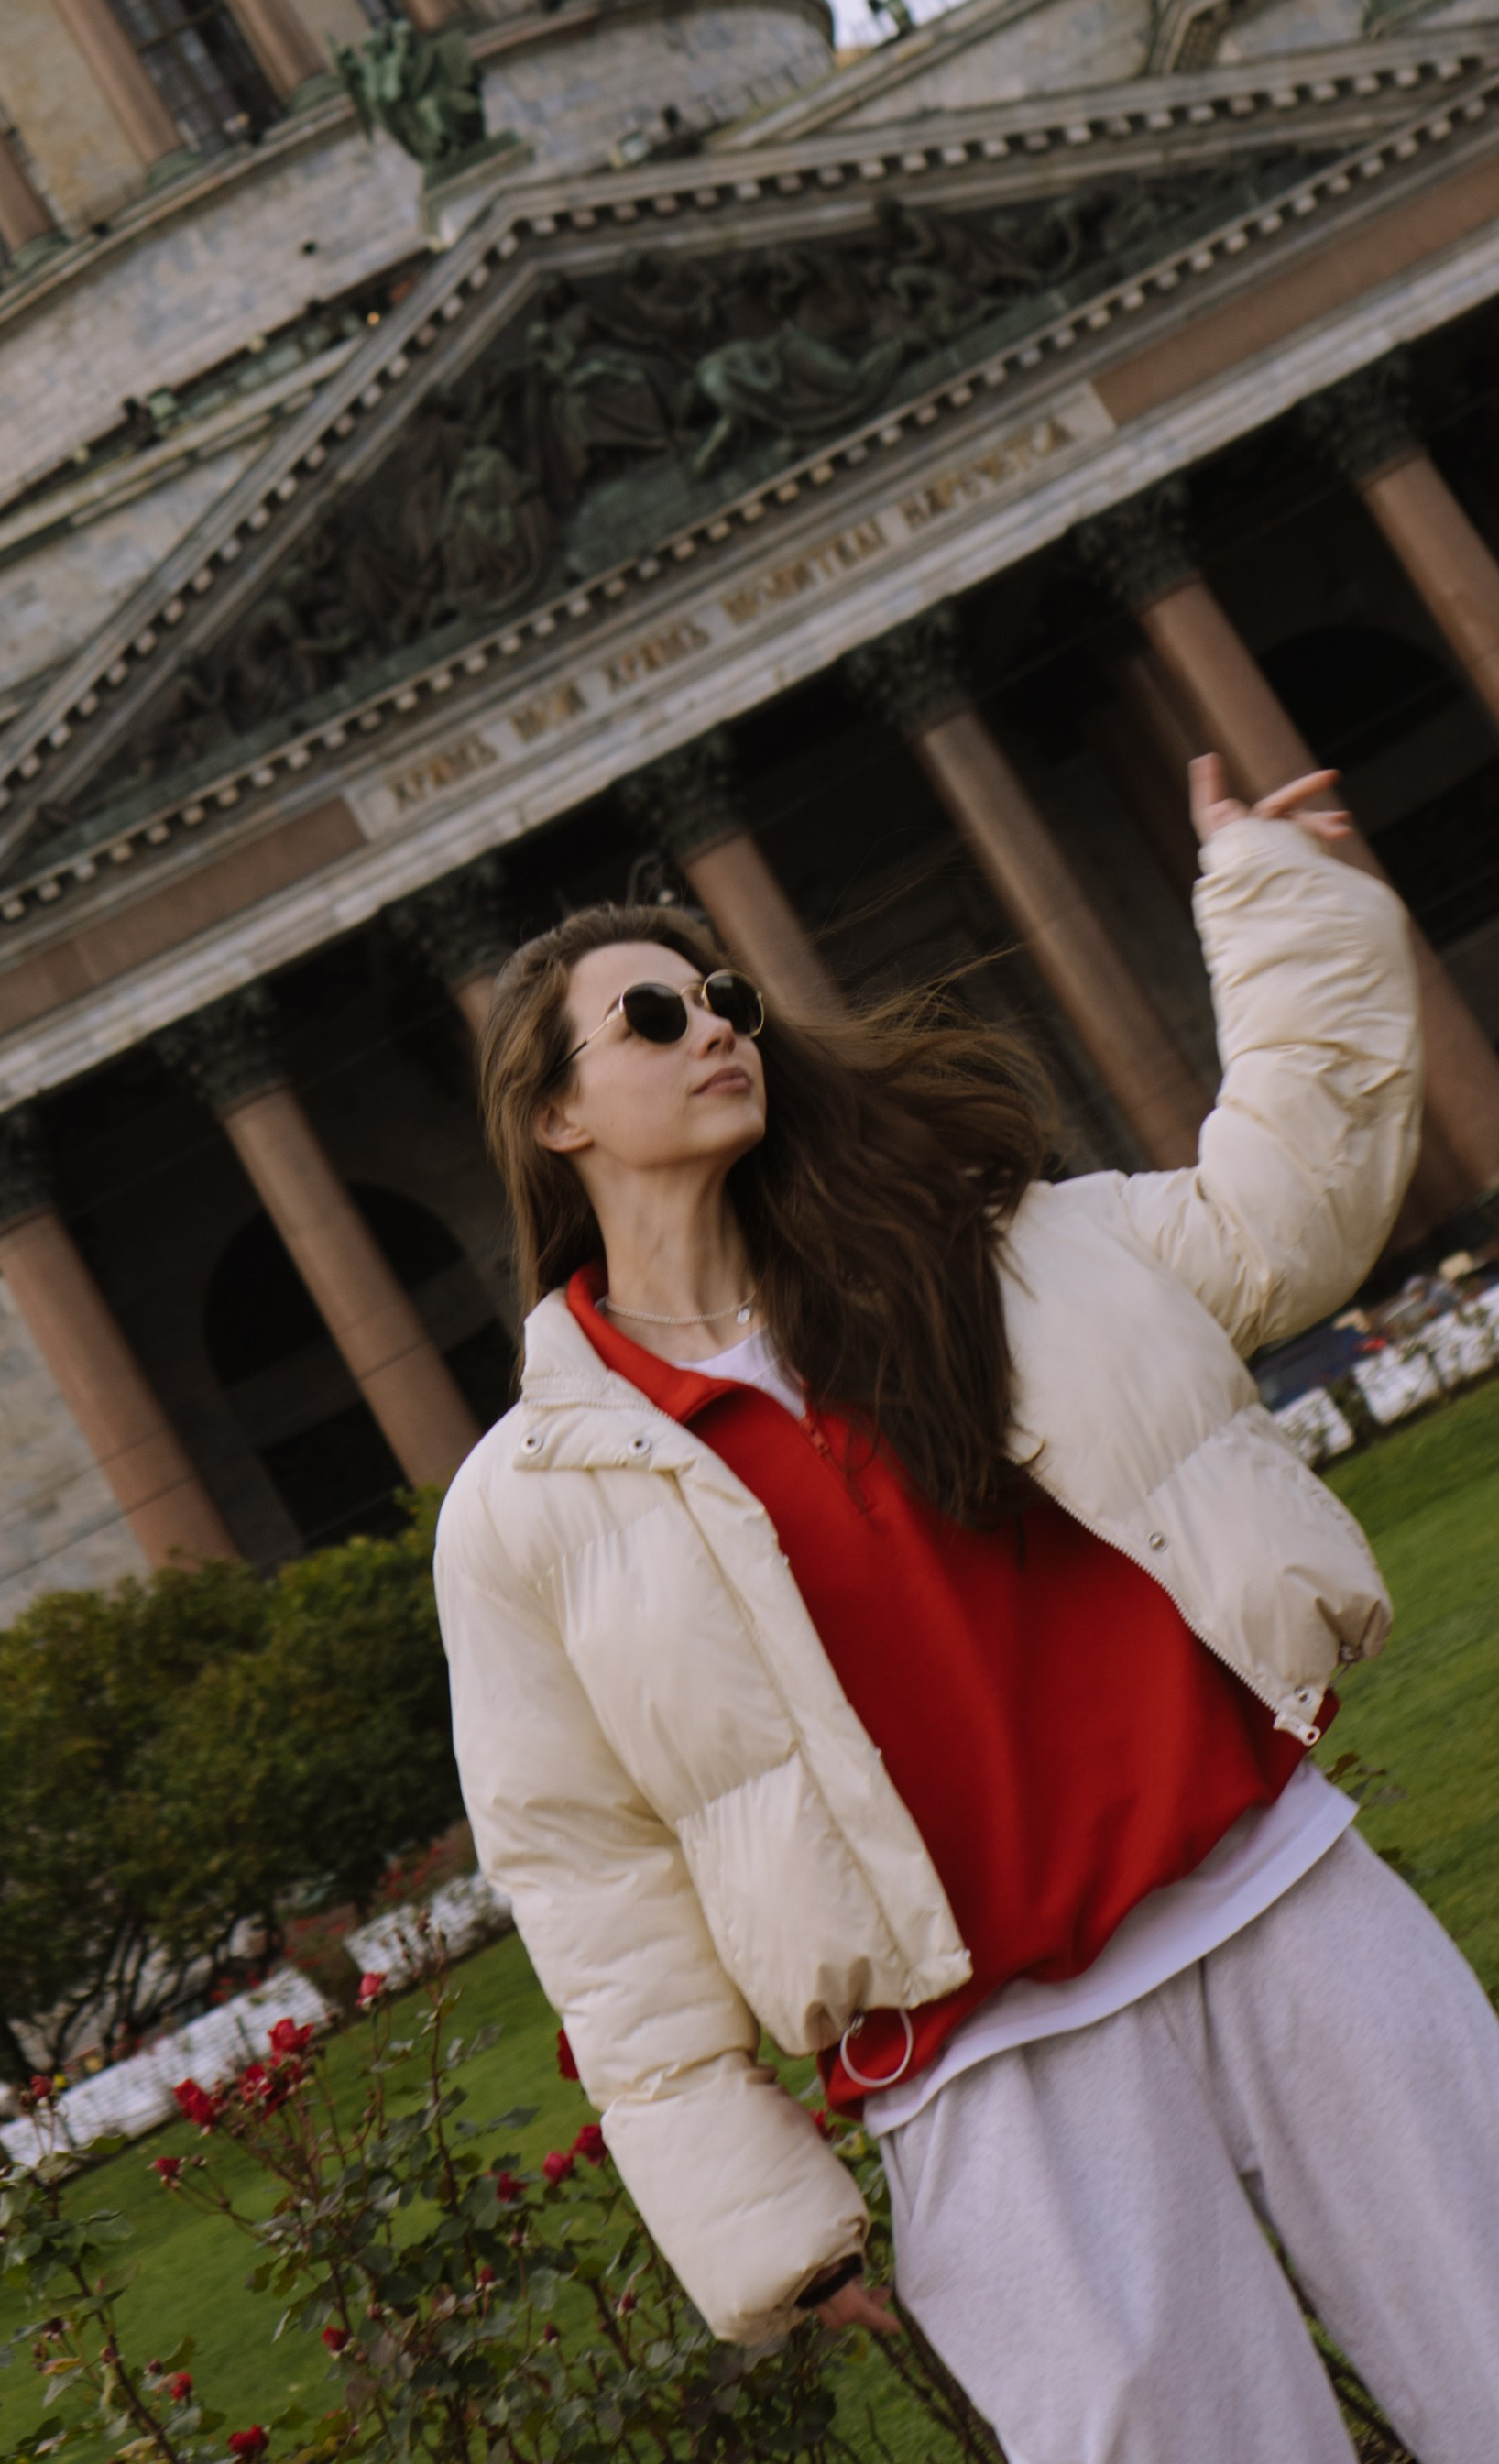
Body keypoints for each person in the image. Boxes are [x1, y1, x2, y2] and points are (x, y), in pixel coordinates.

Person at [436, 755, 1499, 2461]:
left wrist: (1282, 910)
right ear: (555, 1114)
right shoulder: (525, 1508)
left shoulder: (992, 1254)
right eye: (653, 1017)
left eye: (725, 998)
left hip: (1283, 1909)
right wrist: (755, 2212)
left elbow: (1282, 1223)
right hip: (992, 2085)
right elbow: (589, 1876)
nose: (716, 1028)